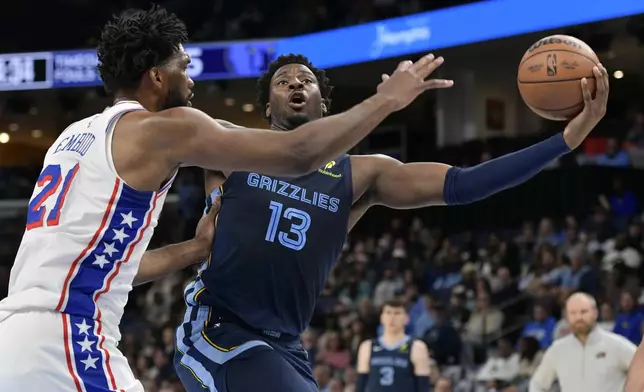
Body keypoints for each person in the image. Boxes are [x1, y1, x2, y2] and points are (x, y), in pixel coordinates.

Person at [0, 5, 448, 391]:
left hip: (16, 335)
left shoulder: (71, 138)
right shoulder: (165, 128)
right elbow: (298, 154)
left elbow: (114, 270)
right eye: (183, 66)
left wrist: (195, 249)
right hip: (69, 335)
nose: (191, 81)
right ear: (157, 77)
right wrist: (385, 100)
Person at [174, 54, 609, 392]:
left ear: (325, 105)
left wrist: (566, 141)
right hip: (218, 326)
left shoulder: (361, 174)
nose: (294, 85)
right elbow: (156, 123)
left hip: (284, 343)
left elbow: (464, 185)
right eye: (282, 81)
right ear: (266, 103)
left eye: (304, 80)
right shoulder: (229, 144)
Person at [529, 292, 636, 392]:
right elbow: (537, 384)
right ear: (567, 316)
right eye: (573, 313)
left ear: (595, 313)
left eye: (584, 311)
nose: (579, 317)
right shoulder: (557, 350)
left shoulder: (616, 345)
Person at [355, 300, 431, 391]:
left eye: (397, 313)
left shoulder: (416, 347)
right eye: (388, 313)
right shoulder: (368, 347)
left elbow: (423, 387)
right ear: (382, 318)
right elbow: (360, 385)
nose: (392, 318)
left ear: (406, 319)